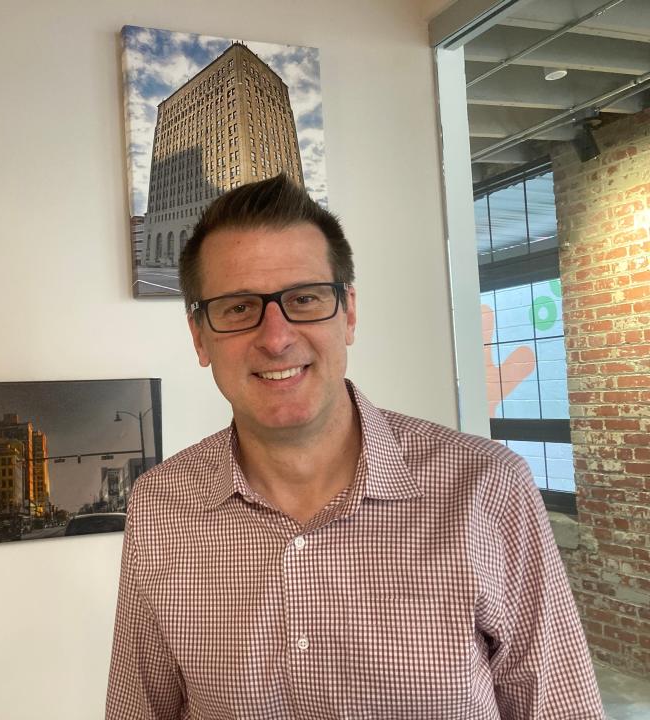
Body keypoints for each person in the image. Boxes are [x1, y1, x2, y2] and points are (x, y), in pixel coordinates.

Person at [106, 174, 603, 719]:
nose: (275, 337)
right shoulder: (160, 504)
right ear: (200, 336)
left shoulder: (486, 487)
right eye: (238, 307)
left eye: (305, 298)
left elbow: (559, 707)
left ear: (349, 313)